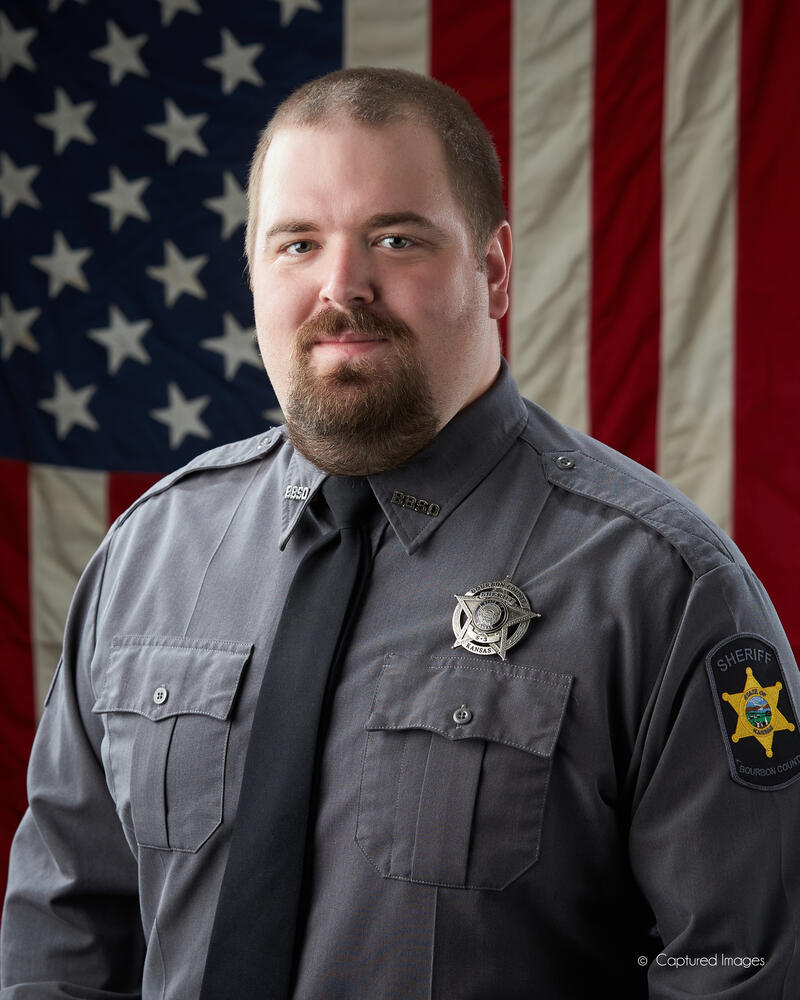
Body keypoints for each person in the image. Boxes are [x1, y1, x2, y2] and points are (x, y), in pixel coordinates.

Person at [2, 67, 800, 999]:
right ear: (253, 272)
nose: (343, 286)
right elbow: (65, 934)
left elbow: (741, 965)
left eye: (395, 238)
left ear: (493, 270)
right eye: (297, 244)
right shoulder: (149, 558)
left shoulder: (661, 585)